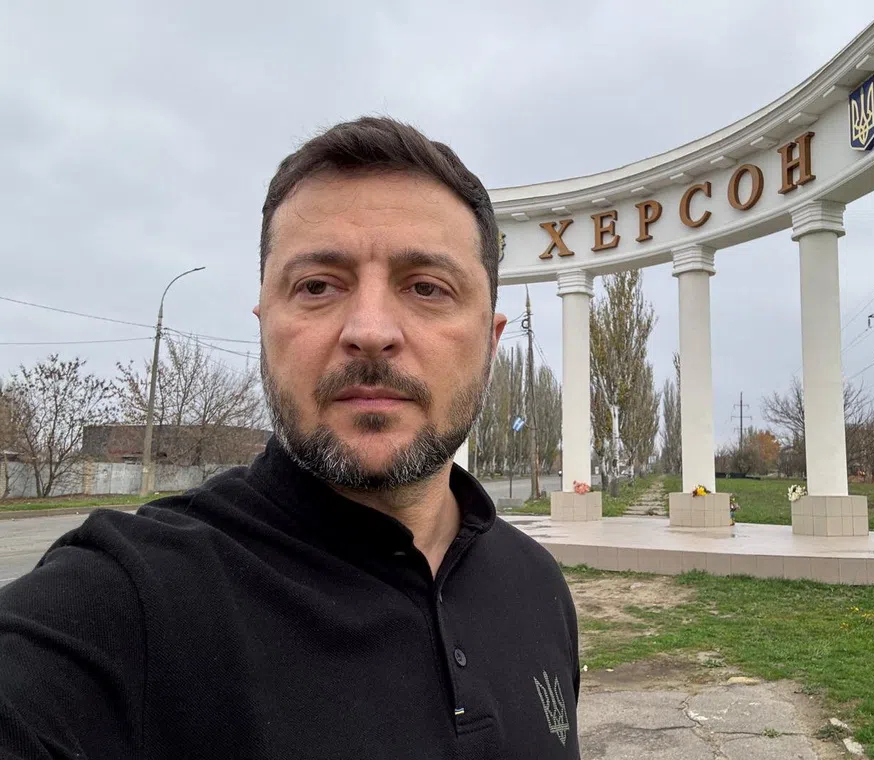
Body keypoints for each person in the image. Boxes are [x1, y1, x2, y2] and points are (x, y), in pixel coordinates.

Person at [0, 117, 581, 759]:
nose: (369, 329)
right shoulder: (126, 606)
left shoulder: (538, 588)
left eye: (426, 287)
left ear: (492, 340)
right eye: (317, 286)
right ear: (264, 323)